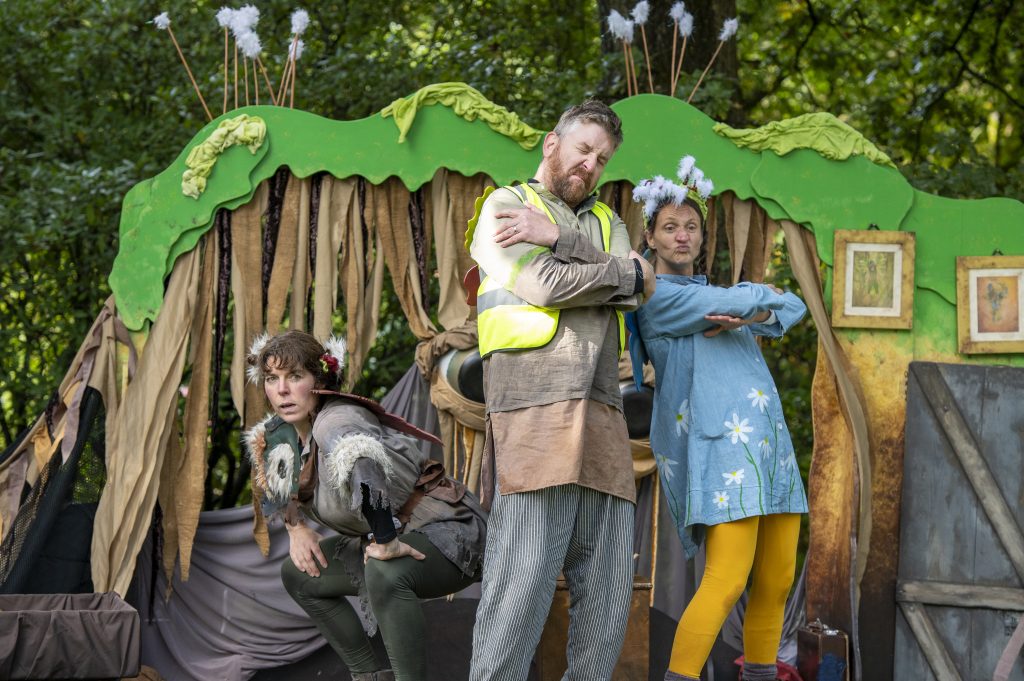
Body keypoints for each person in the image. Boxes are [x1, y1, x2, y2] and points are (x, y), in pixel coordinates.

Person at [464, 99, 655, 681]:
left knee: (606, 606)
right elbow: (545, 286)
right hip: (533, 418)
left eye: (602, 158)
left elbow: (644, 283)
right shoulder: (505, 205)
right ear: (553, 143)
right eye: (583, 149)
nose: (590, 165)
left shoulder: (606, 219)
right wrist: (623, 273)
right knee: (517, 594)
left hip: (603, 419)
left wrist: (556, 237)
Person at [627, 157, 809, 681]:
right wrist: (757, 302)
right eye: (670, 228)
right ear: (652, 239)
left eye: (691, 227)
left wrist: (753, 307)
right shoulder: (657, 296)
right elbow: (762, 303)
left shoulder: (713, 295)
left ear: (702, 238)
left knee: (776, 578)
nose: (681, 237)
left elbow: (792, 305)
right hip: (722, 449)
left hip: (769, 446)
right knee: (726, 579)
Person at [244, 330, 487, 681]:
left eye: (295, 377)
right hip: (392, 533)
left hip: (448, 527)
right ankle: (368, 677)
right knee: (298, 574)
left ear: (319, 380)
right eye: (272, 379)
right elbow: (275, 480)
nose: (282, 390)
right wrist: (296, 528)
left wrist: (386, 540)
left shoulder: (335, 420)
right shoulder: (279, 435)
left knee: (385, 570)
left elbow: (362, 463)